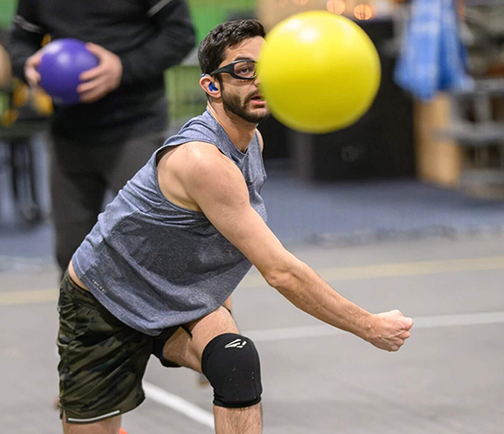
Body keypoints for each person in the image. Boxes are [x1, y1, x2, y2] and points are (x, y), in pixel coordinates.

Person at [58, 19, 414, 434]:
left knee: (235, 360)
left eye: (268, 68)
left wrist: (217, 307)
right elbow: (281, 272)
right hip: (104, 301)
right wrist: (369, 326)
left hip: (175, 296)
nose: (260, 81)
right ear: (211, 86)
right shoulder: (203, 160)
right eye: (244, 70)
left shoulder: (252, 142)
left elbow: (217, 235)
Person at [7, 0, 196, 272]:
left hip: (136, 128)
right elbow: (21, 40)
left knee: (153, 251)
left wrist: (123, 68)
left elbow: (180, 35)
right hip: (68, 135)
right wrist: (27, 65)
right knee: (72, 258)